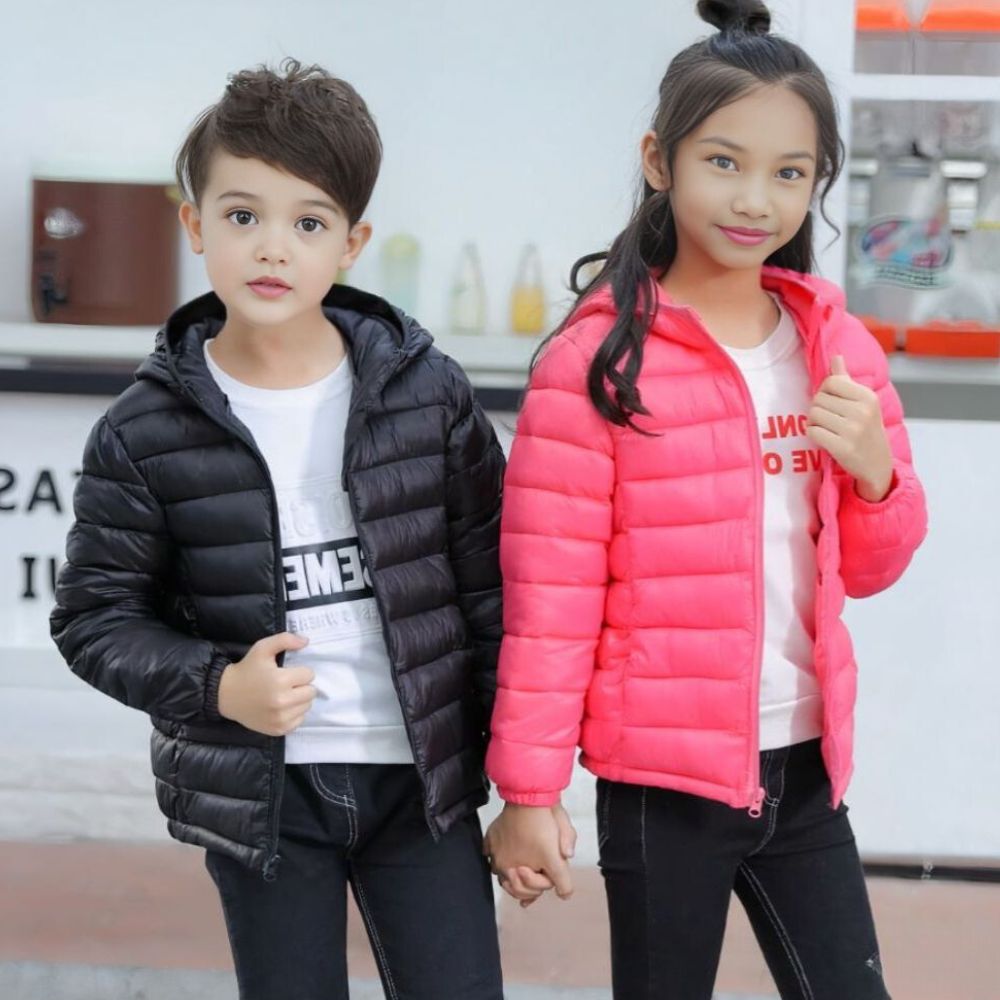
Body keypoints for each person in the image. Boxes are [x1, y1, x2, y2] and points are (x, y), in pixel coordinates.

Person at [483, 3, 928, 998]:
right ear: (660, 160)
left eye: (789, 173)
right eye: (723, 162)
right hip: (661, 784)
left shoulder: (837, 350)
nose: (755, 199)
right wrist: (527, 791)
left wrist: (875, 474)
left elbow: (874, 567)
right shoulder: (598, 362)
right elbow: (551, 602)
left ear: (817, 183)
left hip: (805, 767)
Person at [50, 59, 505, 1000]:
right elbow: (94, 620)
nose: (272, 248)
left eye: (308, 223)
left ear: (351, 243)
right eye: (242, 215)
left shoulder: (427, 393)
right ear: (195, 225)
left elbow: (494, 588)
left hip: (420, 784)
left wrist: (526, 784)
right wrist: (219, 688)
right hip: (264, 796)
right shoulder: (143, 428)